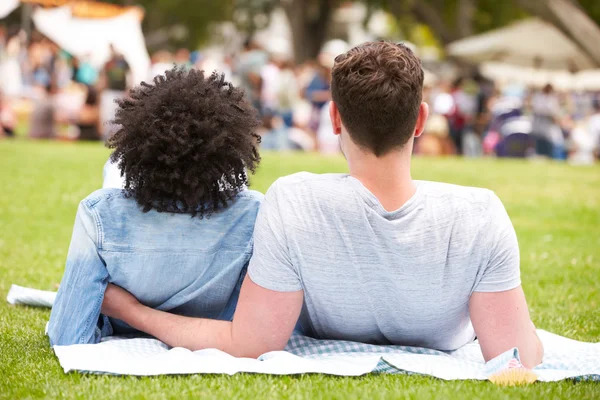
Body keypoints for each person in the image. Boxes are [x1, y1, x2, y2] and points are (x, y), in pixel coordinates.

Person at [101, 42, 544, 369]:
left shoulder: (295, 200)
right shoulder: (480, 214)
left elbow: (248, 343)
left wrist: (132, 311)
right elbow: (519, 356)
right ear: (421, 120)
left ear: (334, 119)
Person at [47, 67, 263, 346]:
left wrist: (124, 311)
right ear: (232, 147)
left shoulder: (100, 214)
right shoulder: (256, 213)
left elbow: (67, 337)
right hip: (216, 333)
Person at [99, 45, 130, 140]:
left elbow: (129, 75)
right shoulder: (108, 63)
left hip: (120, 91)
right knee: (108, 114)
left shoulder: (123, 63)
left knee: (118, 115)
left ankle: (117, 136)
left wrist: (128, 89)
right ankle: (106, 136)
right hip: (109, 91)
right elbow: (103, 76)